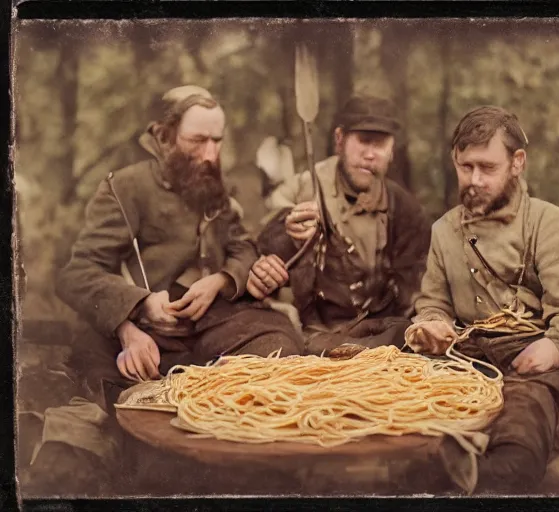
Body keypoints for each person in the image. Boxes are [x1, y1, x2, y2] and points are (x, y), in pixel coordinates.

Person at [33, 85, 303, 493]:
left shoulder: (214, 184)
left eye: (218, 141)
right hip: (141, 334)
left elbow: (243, 245)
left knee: (279, 339)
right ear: (163, 136)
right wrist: (134, 315)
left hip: (206, 326)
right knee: (125, 409)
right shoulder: (125, 187)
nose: (211, 154)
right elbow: (78, 272)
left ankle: (229, 436)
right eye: (197, 141)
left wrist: (222, 280)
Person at [404, 106, 559, 492]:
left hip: (533, 355)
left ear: (517, 163)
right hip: (467, 353)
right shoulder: (444, 231)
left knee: (524, 413)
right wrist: (433, 324)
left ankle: (499, 479)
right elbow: (433, 302)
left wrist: (557, 344)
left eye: (487, 168)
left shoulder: (547, 223)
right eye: (465, 167)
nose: (474, 180)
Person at [251, 95, 431, 354]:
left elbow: (414, 288)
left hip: (376, 333)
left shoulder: (404, 209)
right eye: (363, 142)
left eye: (379, 145)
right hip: (309, 331)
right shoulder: (303, 189)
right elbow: (261, 252)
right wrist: (290, 234)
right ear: (340, 140)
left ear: (391, 151)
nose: (370, 155)